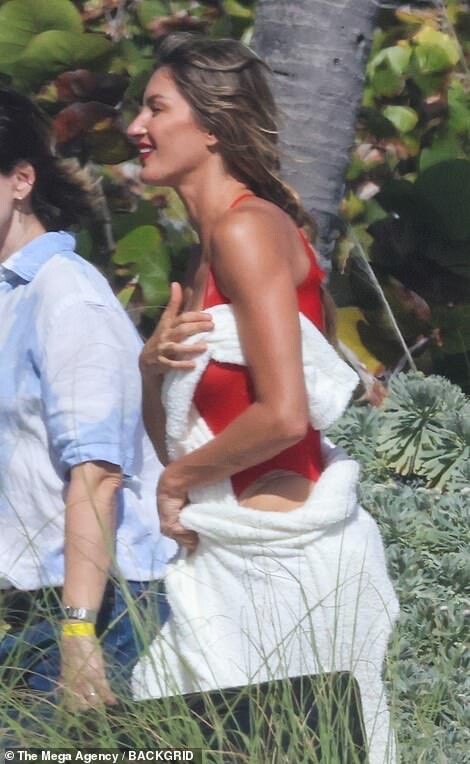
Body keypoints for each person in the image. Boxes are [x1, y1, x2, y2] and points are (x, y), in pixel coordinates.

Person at [127, 34, 399, 763]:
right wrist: (151, 372)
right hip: (229, 559)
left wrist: (175, 485)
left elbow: (283, 415)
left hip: (281, 565)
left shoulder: (246, 231)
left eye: (156, 108)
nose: (136, 127)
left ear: (212, 125)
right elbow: (179, 443)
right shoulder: (206, 251)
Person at [0, 87, 176, 709]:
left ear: (22, 180)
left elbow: (98, 474)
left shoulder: (68, 298)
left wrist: (78, 636)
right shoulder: (12, 297)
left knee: (69, 751)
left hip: (97, 606)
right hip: (30, 605)